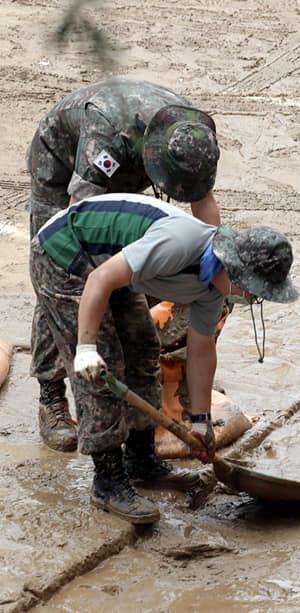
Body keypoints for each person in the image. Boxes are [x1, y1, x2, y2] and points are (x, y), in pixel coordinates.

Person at [30, 193, 297, 523]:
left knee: (143, 350)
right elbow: (100, 279)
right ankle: (108, 481)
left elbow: (201, 351)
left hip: (110, 265)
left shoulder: (213, 287)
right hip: (64, 254)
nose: (253, 298)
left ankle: (141, 461)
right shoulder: (180, 245)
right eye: (254, 290)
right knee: (103, 367)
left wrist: (200, 420)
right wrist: (85, 349)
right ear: (235, 269)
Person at [27, 77, 221, 453]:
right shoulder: (108, 134)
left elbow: (205, 208)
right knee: (63, 284)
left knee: (131, 296)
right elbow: (76, 220)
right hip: (62, 168)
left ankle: (141, 427)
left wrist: (211, 268)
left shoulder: (192, 137)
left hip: (126, 166)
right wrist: (93, 334)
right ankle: (50, 395)